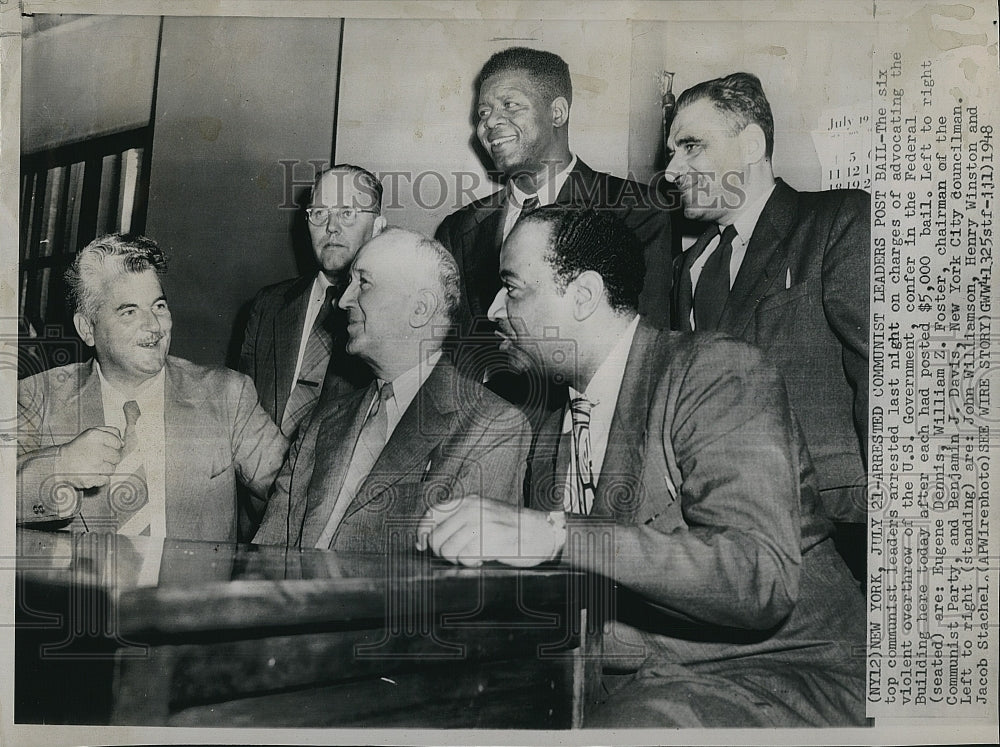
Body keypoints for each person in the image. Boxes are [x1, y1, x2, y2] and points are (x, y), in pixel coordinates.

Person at [416, 207, 865, 727]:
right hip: (635, 686)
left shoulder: (717, 372)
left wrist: (554, 535)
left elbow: (757, 577)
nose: (494, 308)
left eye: (513, 288)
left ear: (582, 295)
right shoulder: (549, 430)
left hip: (785, 678)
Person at [666, 72, 870, 531]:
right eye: (671, 153)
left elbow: (883, 376)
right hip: (726, 528)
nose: (672, 171)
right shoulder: (685, 270)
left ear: (751, 145)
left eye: (691, 146)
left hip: (834, 520)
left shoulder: (838, 221)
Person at [254, 228, 531, 551]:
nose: (343, 300)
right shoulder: (323, 420)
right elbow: (266, 553)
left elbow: (456, 590)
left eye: (364, 283)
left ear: (420, 309)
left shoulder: (491, 426)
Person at [435, 47, 673, 406]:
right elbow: (448, 347)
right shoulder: (460, 229)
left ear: (557, 112)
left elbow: (641, 347)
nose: (490, 123)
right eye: (483, 113)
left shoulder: (634, 211)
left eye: (510, 105)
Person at [17, 233, 288, 542]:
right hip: (85, 591)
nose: (154, 327)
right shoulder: (38, 397)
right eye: (129, 311)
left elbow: (297, 489)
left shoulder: (226, 394)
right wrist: (60, 465)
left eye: (158, 306)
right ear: (87, 329)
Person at [240, 164, 385, 439]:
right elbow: (241, 410)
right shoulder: (269, 304)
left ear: (378, 227)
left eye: (347, 213)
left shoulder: (391, 315)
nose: (331, 227)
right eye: (319, 213)